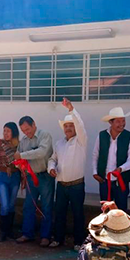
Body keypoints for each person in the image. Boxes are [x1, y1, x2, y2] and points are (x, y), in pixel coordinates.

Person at [48, 98, 87, 250]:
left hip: (76, 185)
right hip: (62, 185)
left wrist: (71, 109)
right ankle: (58, 239)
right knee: (59, 214)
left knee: (78, 214)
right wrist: (51, 168)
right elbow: (52, 159)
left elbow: (81, 125)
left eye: (71, 126)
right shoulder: (59, 143)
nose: (69, 128)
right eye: (66, 126)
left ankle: (78, 242)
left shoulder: (81, 141)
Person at [14, 116, 54, 246]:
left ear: (34, 124)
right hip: (30, 177)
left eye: (28, 129)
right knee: (28, 206)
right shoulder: (23, 141)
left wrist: (23, 156)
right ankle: (27, 233)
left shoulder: (45, 135)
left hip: (45, 176)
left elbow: (42, 152)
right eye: (23, 130)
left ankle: (45, 236)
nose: (26, 132)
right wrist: (19, 164)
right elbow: (17, 156)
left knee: (47, 207)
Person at [92, 107, 130, 211]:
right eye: (118, 121)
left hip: (121, 180)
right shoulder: (102, 135)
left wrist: (121, 169)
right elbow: (95, 154)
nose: (121, 124)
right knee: (105, 210)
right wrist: (95, 172)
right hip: (104, 180)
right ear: (110, 122)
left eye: (123, 121)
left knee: (121, 211)